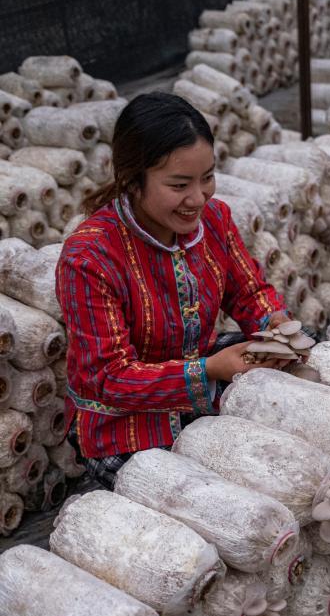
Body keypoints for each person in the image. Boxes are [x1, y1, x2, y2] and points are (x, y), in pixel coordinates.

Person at [56, 91, 292, 489]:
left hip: (200, 367)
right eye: (179, 184)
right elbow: (109, 378)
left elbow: (249, 292)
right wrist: (209, 370)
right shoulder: (89, 257)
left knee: (295, 372)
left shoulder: (215, 219)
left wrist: (276, 323)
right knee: (203, 495)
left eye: (207, 177)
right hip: (123, 421)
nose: (198, 198)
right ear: (132, 180)